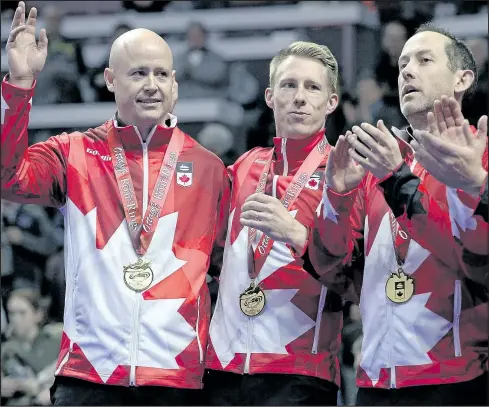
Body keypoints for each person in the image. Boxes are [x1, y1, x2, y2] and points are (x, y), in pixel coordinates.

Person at [1, 2, 230, 406]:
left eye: (161, 74)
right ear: (110, 79)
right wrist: (20, 85)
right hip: (89, 375)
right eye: (138, 73)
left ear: (175, 85)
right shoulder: (74, 155)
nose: (151, 85)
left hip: (176, 377)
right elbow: (9, 177)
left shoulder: (209, 169)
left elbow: (225, 266)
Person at [307, 23, 488, 405]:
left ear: (463, 78)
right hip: (376, 383)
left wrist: (400, 181)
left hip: (454, 380)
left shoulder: (481, 156)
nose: (406, 70)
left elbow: (476, 262)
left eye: (424, 60)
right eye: (403, 62)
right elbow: (333, 269)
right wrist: (337, 197)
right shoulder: (381, 165)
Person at [204, 41, 344, 406]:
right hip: (221, 371)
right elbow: (214, 251)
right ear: (269, 95)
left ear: (331, 102)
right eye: (289, 85)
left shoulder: (344, 176)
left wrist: (298, 235)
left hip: (298, 374)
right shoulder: (244, 167)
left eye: (313, 87)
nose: (300, 97)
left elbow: (355, 274)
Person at [1, 289, 60, 406]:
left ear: (37, 314)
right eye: (11, 313)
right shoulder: (6, 349)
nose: (16, 319)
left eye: (22, 313)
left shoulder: (55, 343)